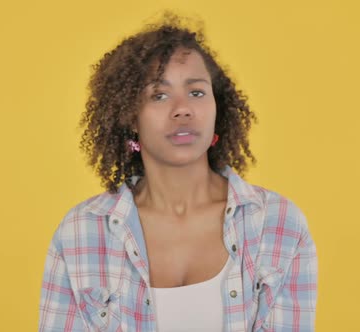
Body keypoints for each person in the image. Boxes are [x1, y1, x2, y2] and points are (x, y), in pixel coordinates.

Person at [39, 13, 318, 332]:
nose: (182, 108)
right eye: (159, 95)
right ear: (130, 117)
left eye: (197, 92)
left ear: (217, 107)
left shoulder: (278, 225)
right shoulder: (81, 232)